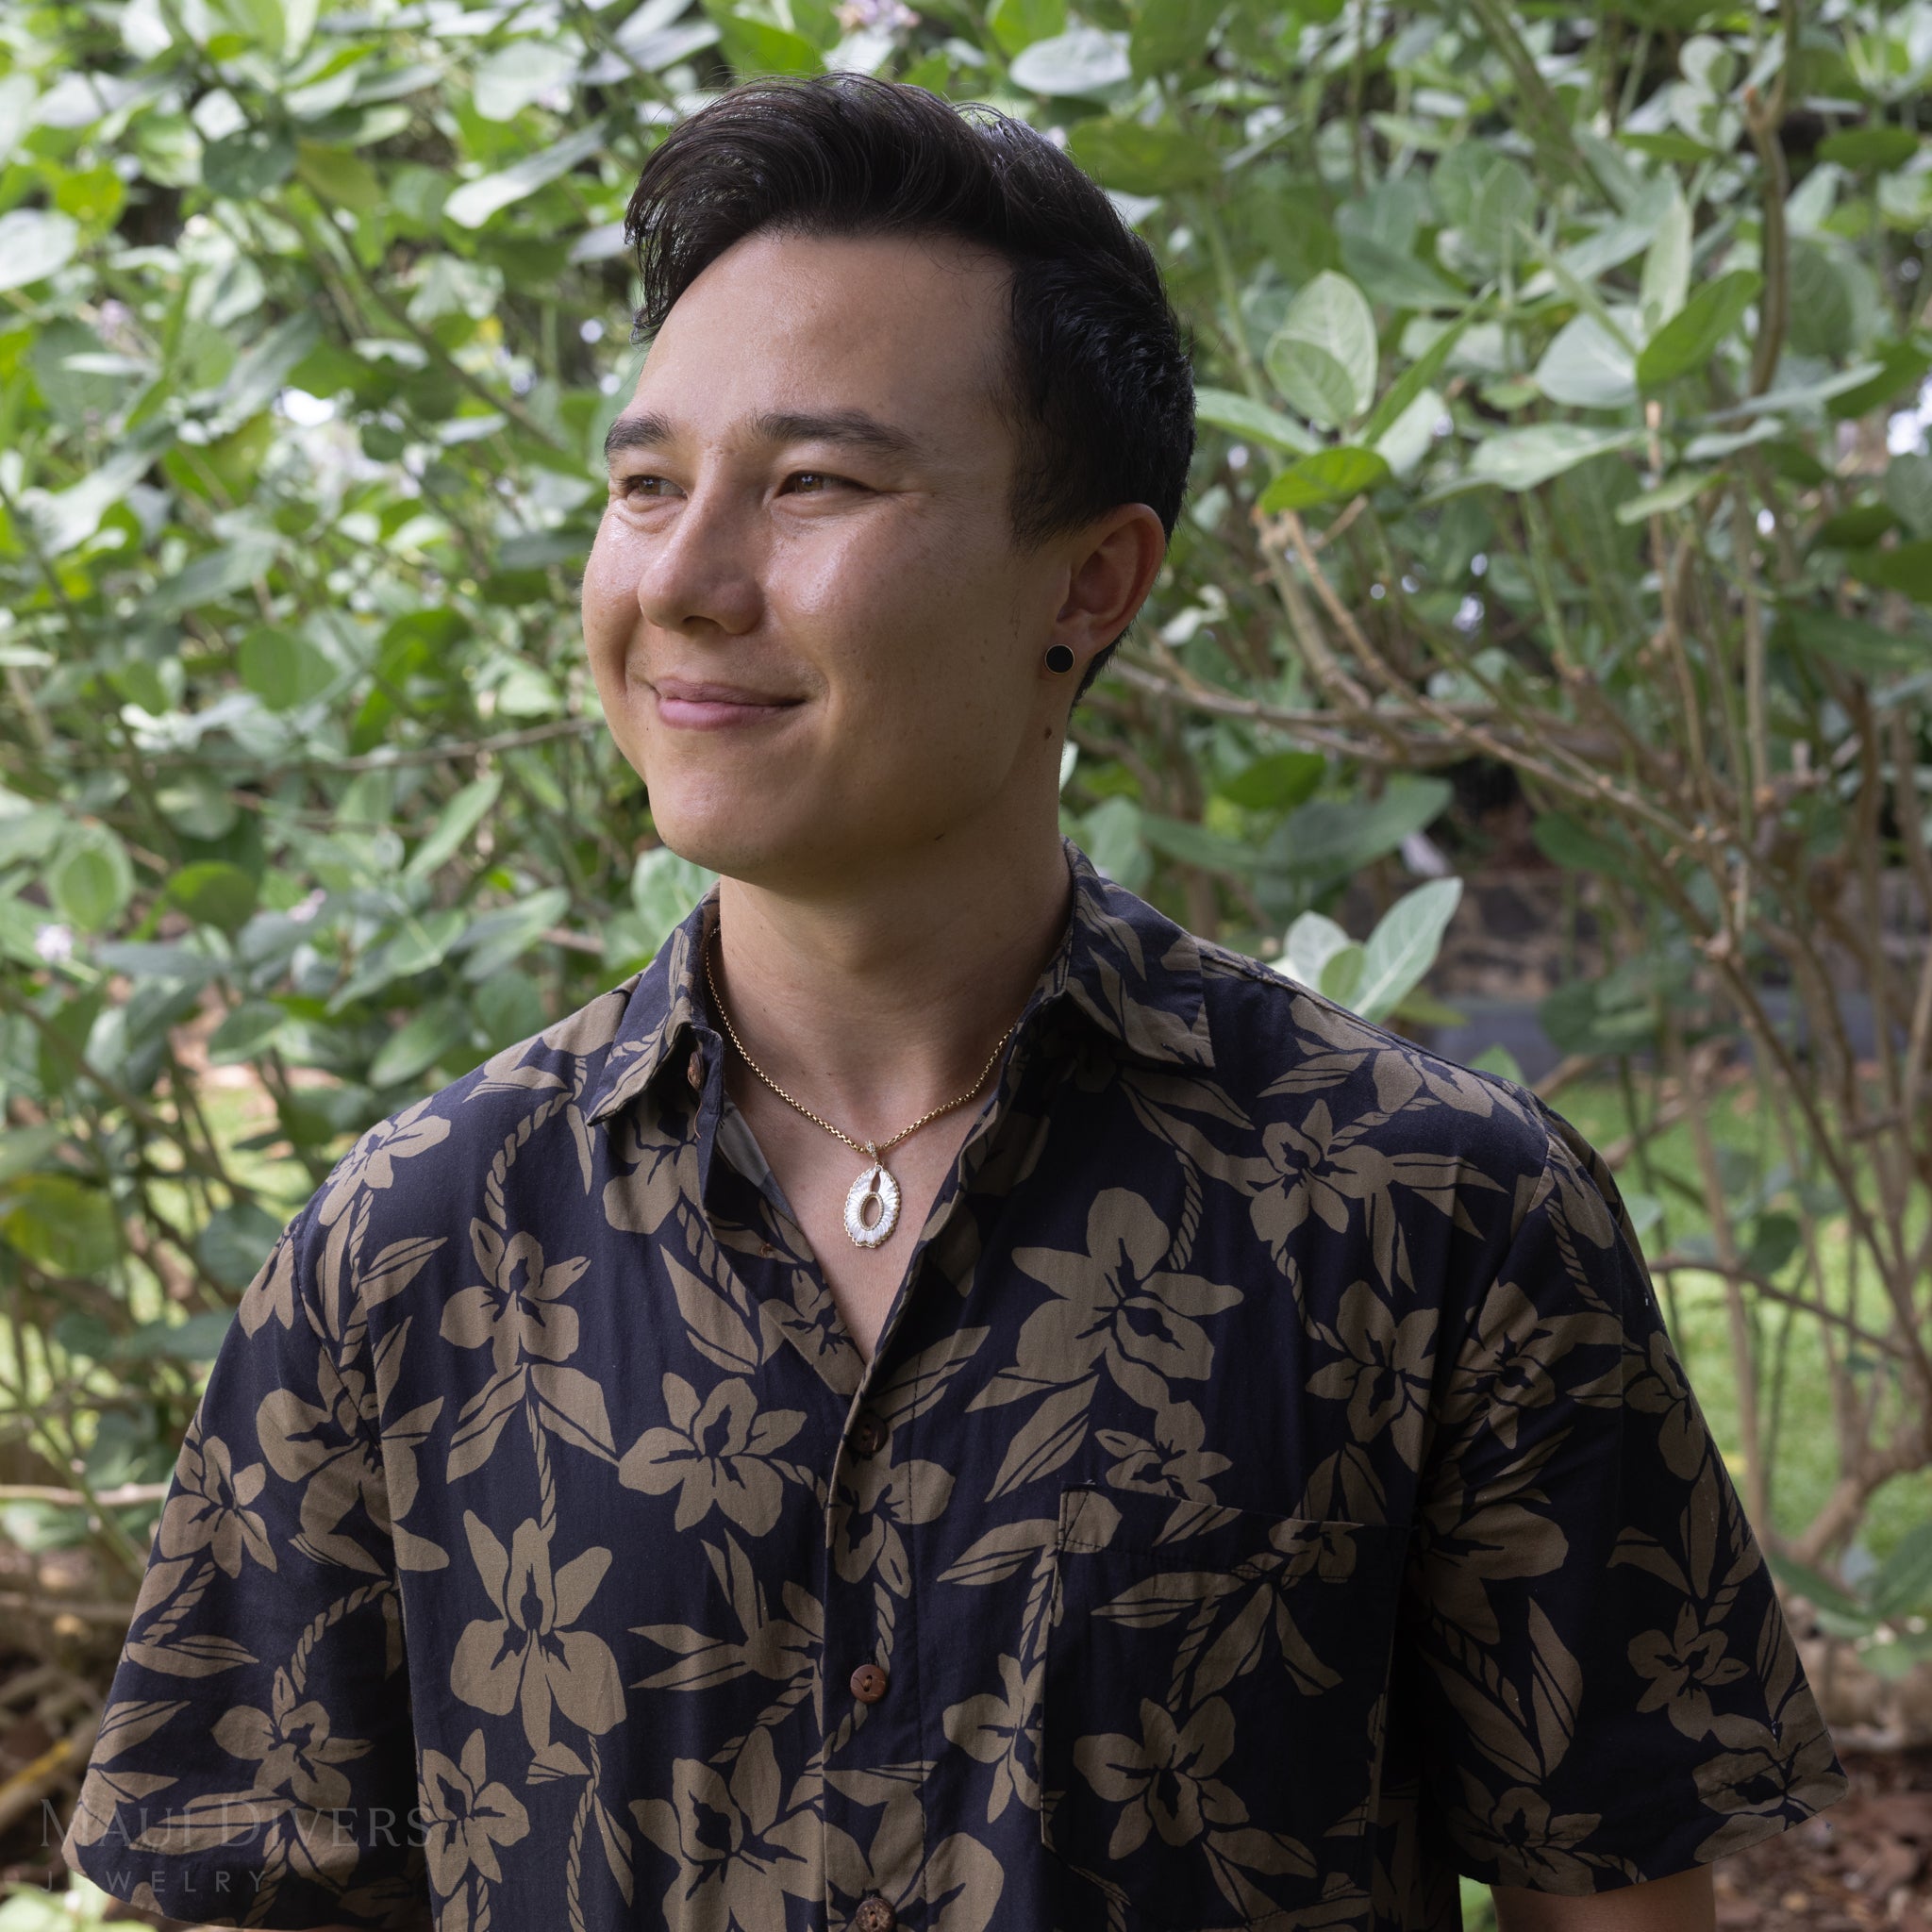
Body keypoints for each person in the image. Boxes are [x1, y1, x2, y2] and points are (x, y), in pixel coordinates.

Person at [64, 72, 1843, 1932]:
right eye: (646, 486)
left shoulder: (1432, 1213)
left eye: (812, 485)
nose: (683, 580)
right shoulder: (409, 1249)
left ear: (1092, 578)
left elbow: (1610, 1892)